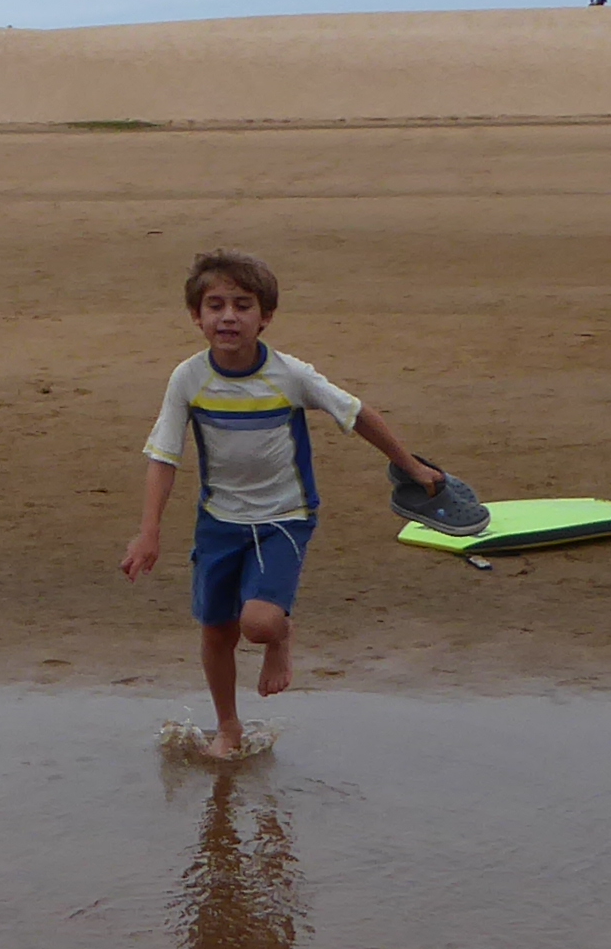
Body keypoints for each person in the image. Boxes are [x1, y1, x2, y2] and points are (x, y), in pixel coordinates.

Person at [121, 248, 470, 758]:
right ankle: (228, 727)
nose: (228, 316)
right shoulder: (188, 379)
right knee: (216, 633)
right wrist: (149, 531)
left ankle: (281, 637)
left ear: (265, 316)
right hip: (218, 523)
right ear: (197, 316)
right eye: (215, 305)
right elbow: (164, 456)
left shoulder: (289, 375)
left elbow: (356, 413)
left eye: (243, 305)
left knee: (258, 624)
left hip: (284, 519)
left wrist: (414, 469)